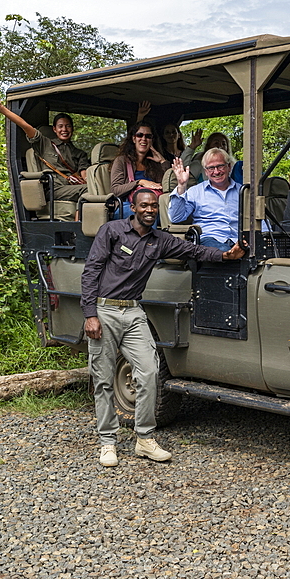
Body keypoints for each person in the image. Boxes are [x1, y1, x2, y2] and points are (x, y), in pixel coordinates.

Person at [81, 188, 245, 467]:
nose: (149, 210)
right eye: (144, 205)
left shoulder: (160, 241)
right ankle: (108, 443)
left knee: (149, 372)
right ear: (133, 208)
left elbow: (194, 250)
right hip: (105, 309)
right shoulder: (112, 231)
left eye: (154, 206)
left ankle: (144, 439)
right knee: (104, 378)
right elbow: (91, 270)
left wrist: (225, 256)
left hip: (133, 312)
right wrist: (90, 314)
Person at [0, 91, 90, 202]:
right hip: (54, 188)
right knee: (87, 190)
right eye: (60, 126)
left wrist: (89, 181)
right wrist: (1, 108)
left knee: (93, 189)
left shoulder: (79, 153)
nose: (64, 129)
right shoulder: (45, 144)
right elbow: (25, 126)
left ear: (72, 129)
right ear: (54, 129)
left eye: (68, 126)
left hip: (72, 186)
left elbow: (84, 171)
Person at [168, 147, 241, 249]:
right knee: (223, 251)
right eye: (211, 168)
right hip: (209, 239)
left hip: (239, 240)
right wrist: (181, 185)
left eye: (220, 166)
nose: (216, 172)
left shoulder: (242, 191)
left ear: (229, 166)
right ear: (205, 172)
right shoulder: (195, 192)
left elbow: (258, 220)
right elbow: (176, 218)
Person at [111, 122, 169, 217]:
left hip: (154, 205)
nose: (144, 139)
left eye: (148, 136)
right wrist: (139, 182)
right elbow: (115, 190)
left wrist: (162, 161)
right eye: (139, 135)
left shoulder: (154, 163)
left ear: (152, 140)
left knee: (172, 213)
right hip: (127, 205)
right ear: (134, 139)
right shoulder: (121, 160)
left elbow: (168, 185)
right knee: (147, 213)